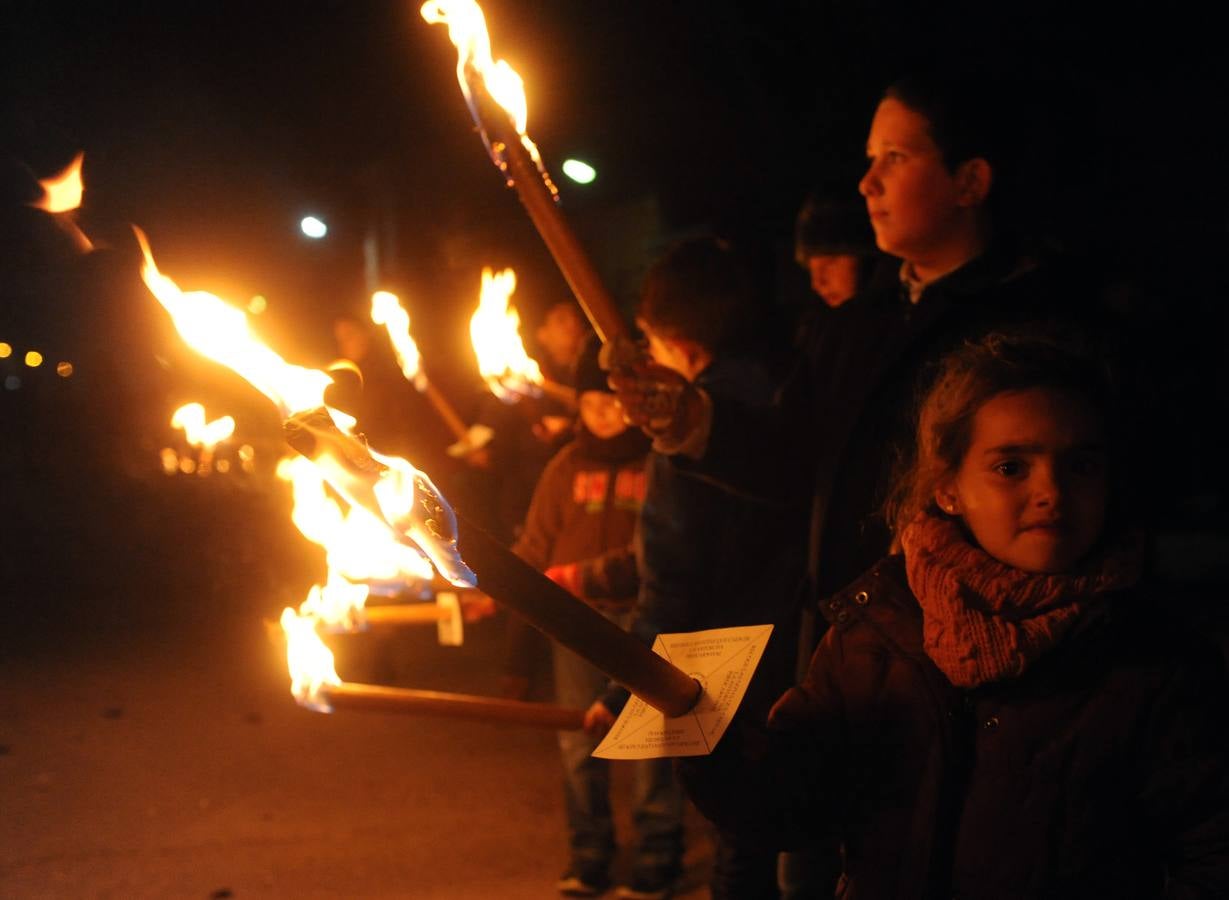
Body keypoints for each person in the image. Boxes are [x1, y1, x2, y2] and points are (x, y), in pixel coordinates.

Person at [682, 329, 1229, 898]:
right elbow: (792, 805)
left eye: (1081, 466)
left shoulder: (1153, 661)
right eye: (1011, 467)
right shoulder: (878, 634)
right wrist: (708, 742)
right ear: (949, 488)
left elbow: (1212, 854)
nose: (1052, 492)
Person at [590, 238, 810, 899]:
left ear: (676, 344)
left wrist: (621, 687)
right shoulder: (800, 389)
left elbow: (671, 579)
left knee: (742, 853)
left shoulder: (691, 429)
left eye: (654, 346)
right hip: (820, 660)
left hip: (733, 675)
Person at [512, 337, 685, 899]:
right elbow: (536, 544)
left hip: (645, 619)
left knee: (653, 738)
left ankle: (658, 853)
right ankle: (590, 854)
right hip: (576, 624)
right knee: (577, 740)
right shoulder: (565, 465)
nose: (604, 413)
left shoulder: (660, 460)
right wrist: (503, 595)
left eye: (613, 401)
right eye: (591, 403)